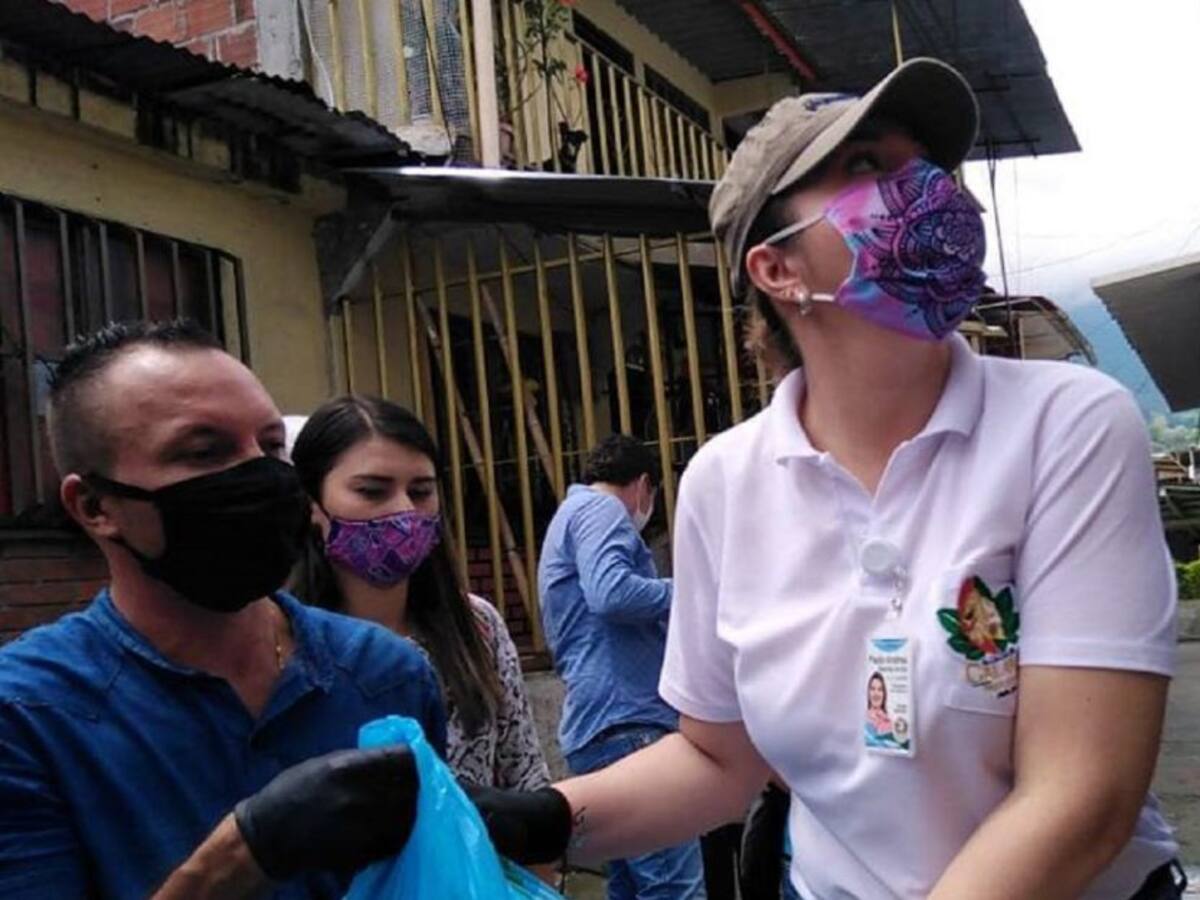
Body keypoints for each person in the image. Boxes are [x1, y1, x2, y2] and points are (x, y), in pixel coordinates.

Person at [468, 58, 1187, 900]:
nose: (923, 187)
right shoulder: (724, 484)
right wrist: (540, 818)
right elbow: (717, 761)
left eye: (923, 162)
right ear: (777, 270)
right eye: (868, 166)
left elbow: (1081, 795)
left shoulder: (1065, 425)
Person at [0, 321, 448, 899]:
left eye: (271, 446)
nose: (261, 474)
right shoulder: (27, 716)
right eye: (204, 452)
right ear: (93, 505)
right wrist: (242, 853)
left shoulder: (385, 672)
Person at [288, 395, 552, 795]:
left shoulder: (477, 625)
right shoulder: (283, 642)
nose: (404, 512)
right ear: (313, 504)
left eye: (421, 491)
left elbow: (527, 776)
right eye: (372, 491)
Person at [538, 434, 706, 900]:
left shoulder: (569, 516)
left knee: (632, 886)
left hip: (603, 727)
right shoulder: (602, 510)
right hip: (629, 724)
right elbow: (611, 594)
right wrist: (689, 591)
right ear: (644, 486)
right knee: (674, 888)